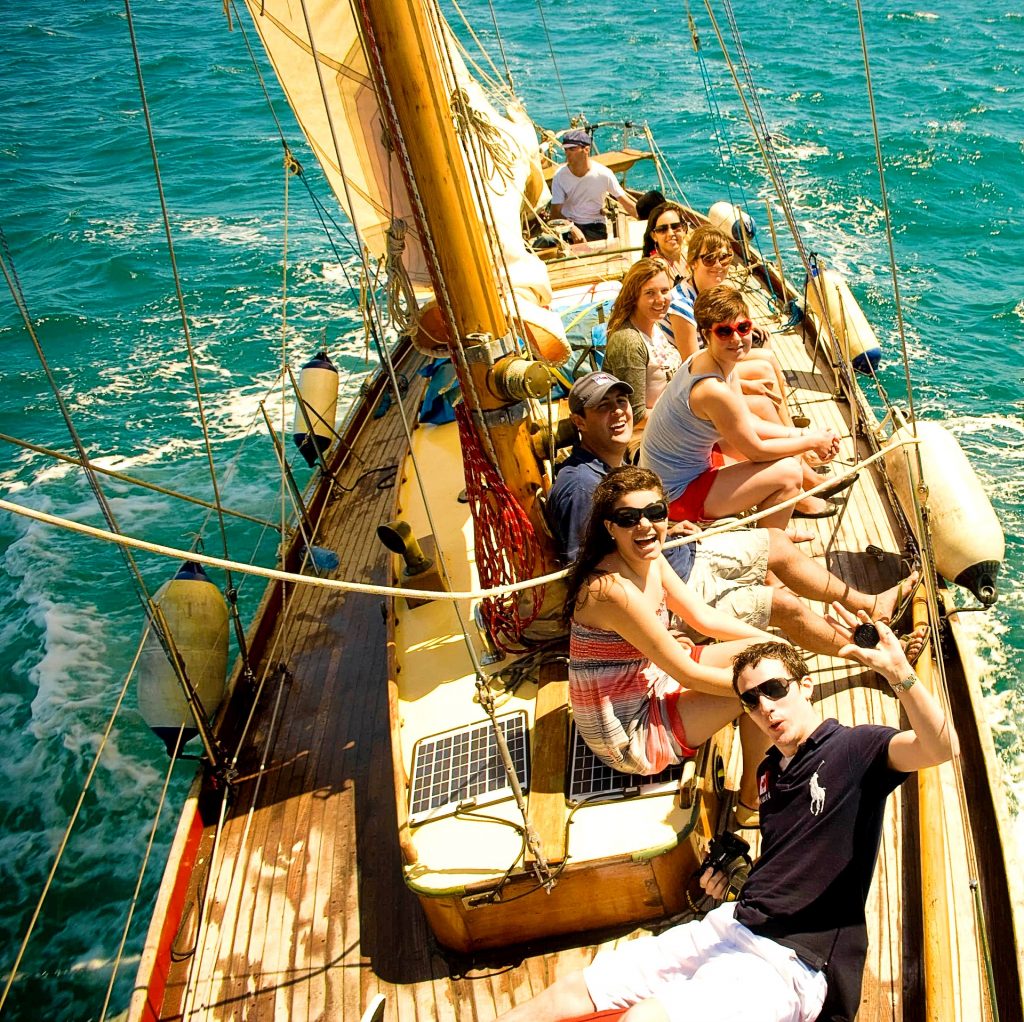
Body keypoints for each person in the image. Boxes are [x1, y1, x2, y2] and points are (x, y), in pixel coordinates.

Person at [494, 626, 955, 1022]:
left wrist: (900, 675)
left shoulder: (855, 750)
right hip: (731, 924)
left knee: (645, 1018)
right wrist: (736, 881)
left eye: (775, 689)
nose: (765, 708)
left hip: (792, 961)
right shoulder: (770, 771)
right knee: (571, 994)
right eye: (751, 700)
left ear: (805, 685)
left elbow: (939, 748)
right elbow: (790, 862)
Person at [549, 371, 918, 658]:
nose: (618, 412)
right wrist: (660, 623)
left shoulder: (604, 471)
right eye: (603, 407)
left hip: (681, 554)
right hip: (672, 588)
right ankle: (874, 656)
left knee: (775, 542)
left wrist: (671, 529)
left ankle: (871, 604)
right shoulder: (582, 486)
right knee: (783, 605)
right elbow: (584, 579)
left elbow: (619, 541)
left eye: (621, 401)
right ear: (579, 421)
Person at [565, 466, 774, 793]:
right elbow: (688, 674)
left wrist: (775, 645)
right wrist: (766, 688)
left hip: (653, 682)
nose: (645, 524)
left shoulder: (651, 558)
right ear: (610, 528)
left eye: (654, 512)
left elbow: (702, 616)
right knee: (761, 687)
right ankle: (751, 799)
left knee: (769, 659)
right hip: (629, 733)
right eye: (628, 518)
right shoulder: (610, 590)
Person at [640, 287, 842, 530]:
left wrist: (805, 435)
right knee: (788, 472)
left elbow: (747, 421)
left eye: (742, 328)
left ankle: (786, 510)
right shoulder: (713, 390)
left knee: (775, 436)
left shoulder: (712, 360)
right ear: (707, 334)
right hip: (676, 496)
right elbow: (757, 450)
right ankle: (771, 551)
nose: (736, 339)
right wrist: (811, 442)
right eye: (724, 332)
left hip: (673, 474)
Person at [603, 259, 681, 432]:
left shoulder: (654, 325)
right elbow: (635, 416)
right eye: (650, 293)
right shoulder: (629, 342)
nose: (660, 299)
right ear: (634, 297)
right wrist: (688, 415)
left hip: (671, 418)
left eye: (665, 290)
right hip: (647, 434)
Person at [550, 128, 638, 242]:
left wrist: (650, 222)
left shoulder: (603, 174)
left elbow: (626, 203)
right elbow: (555, 213)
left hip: (594, 225)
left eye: (572, 149)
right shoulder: (559, 176)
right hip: (568, 224)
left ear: (586, 149)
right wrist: (572, 228)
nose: (567, 153)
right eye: (565, 149)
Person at [641, 200, 690, 281]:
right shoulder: (657, 269)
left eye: (675, 226)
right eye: (662, 229)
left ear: (684, 229)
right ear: (654, 236)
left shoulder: (688, 257)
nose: (670, 233)